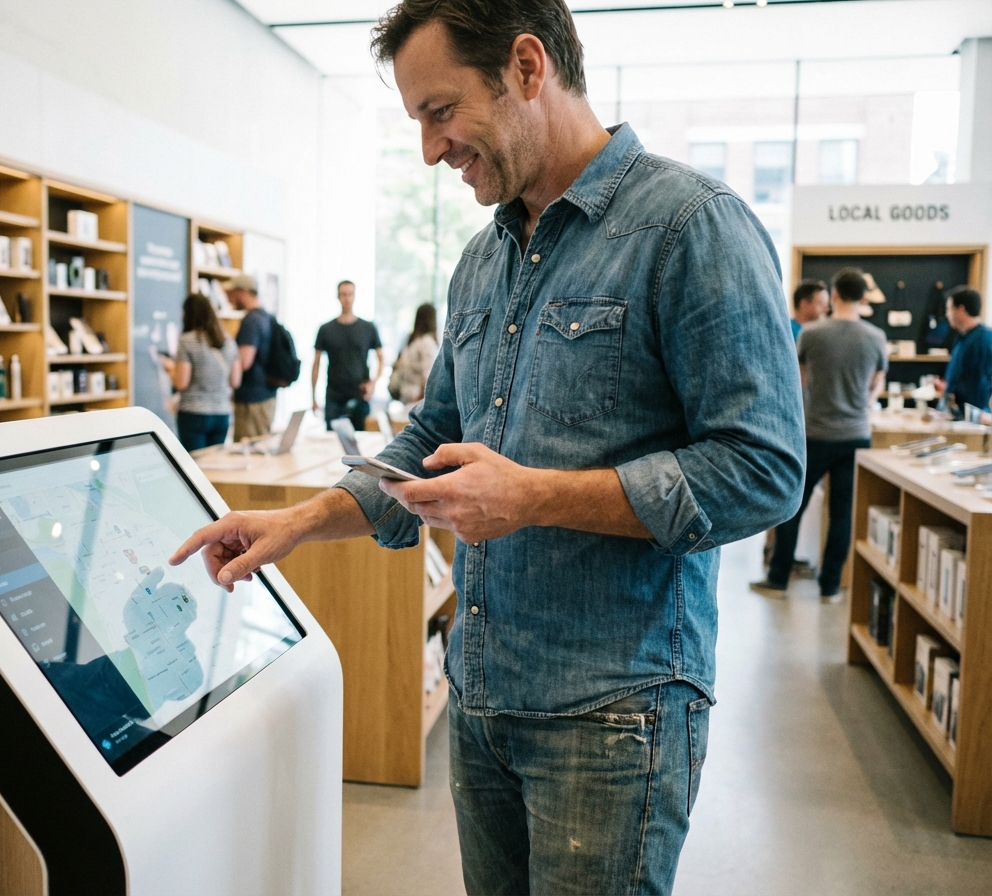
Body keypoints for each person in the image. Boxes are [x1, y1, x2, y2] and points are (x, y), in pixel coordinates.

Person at [169, 2, 803, 893]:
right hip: (481, 696)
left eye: (441, 112)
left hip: (614, 711)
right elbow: (432, 440)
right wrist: (302, 522)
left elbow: (762, 469)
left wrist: (535, 497)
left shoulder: (691, 226)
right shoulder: (482, 258)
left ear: (527, 67)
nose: (431, 150)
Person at [754, 268, 886, 603]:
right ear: (863, 298)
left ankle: (779, 578)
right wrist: (863, 401)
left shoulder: (812, 334)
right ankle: (830, 587)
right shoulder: (876, 337)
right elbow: (876, 384)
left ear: (835, 295)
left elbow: (797, 382)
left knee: (793, 505)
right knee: (842, 513)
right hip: (856, 435)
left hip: (814, 433)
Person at [162, 292, 241, 451]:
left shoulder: (187, 341)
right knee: (214, 462)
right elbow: (235, 381)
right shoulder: (229, 342)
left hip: (194, 413)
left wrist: (170, 368)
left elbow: (181, 383)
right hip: (222, 413)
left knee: (194, 463)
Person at [311, 280, 384, 431]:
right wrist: (313, 397)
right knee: (332, 438)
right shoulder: (326, 329)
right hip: (334, 394)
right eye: (344, 294)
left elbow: (381, 359)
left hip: (359, 394)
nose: (347, 298)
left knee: (360, 438)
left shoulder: (368, 328)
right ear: (338, 297)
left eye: (350, 294)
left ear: (354, 296)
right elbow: (316, 364)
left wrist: (373, 383)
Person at [226, 274, 277, 439]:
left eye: (232, 293)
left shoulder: (251, 321)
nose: (229, 298)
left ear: (243, 292)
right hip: (266, 394)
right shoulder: (266, 317)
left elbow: (244, 362)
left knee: (248, 449)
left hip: (251, 400)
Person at [935, 286, 992, 418]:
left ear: (961, 309)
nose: (947, 314)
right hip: (956, 414)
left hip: (976, 417)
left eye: (949, 309)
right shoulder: (962, 338)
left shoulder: (985, 339)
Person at [389, 303, 440, 406]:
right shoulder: (427, 342)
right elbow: (429, 376)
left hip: (405, 394)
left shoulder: (410, 340)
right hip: (417, 398)